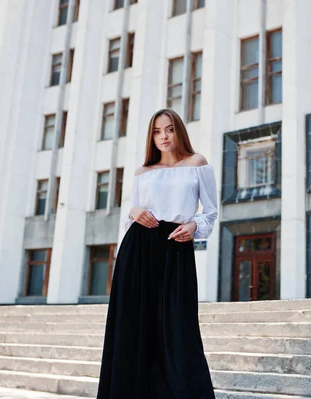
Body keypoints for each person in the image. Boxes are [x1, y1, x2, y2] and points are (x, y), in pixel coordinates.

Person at [96, 109, 218, 398]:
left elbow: (210, 213)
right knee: (133, 327)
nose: (163, 136)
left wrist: (193, 225)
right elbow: (130, 217)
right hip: (138, 250)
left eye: (169, 129)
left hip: (175, 249)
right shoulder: (143, 172)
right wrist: (133, 210)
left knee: (179, 327)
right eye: (157, 131)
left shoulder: (198, 164)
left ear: (179, 131)